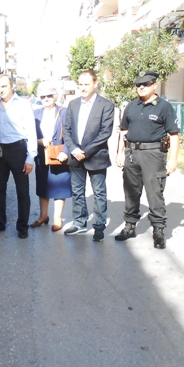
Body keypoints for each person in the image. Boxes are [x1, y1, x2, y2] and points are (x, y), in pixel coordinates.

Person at [115, 70, 180, 249]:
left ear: (154, 85)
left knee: (154, 193)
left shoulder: (164, 107)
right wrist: (120, 153)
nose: (141, 87)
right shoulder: (131, 106)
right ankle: (129, 226)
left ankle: (158, 231)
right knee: (131, 192)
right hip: (132, 154)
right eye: (139, 85)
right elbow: (123, 131)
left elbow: (174, 134)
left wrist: (173, 159)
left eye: (146, 84)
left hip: (153, 154)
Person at [63, 69, 115, 242]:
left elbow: (105, 132)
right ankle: (79, 222)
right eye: (80, 84)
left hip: (96, 156)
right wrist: (73, 149)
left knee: (99, 192)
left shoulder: (106, 105)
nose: (83, 87)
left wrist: (85, 152)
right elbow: (67, 130)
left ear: (95, 84)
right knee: (77, 191)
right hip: (75, 156)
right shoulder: (73, 104)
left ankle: (99, 226)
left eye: (86, 84)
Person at [0, 74, 38, 239]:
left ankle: (22, 226)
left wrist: (30, 158)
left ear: (12, 86)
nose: (1, 90)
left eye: (4, 86)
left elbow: (31, 132)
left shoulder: (23, 104)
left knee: (22, 191)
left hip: (18, 150)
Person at [32, 84, 71, 232]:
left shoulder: (64, 112)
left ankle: (57, 218)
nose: (46, 99)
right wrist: (38, 141)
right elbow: (29, 134)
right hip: (42, 155)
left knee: (59, 187)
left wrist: (65, 151)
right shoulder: (35, 113)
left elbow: (71, 134)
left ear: (55, 96)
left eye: (49, 95)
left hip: (59, 155)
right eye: (43, 96)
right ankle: (43, 216)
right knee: (43, 186)